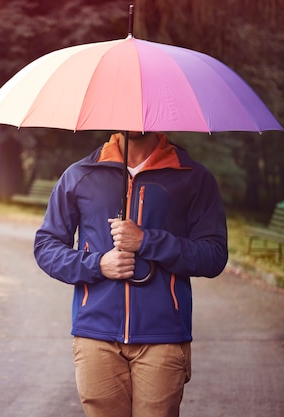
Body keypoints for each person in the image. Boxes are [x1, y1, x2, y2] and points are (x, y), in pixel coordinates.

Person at [34, 131, 228, 417]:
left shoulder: (193, 178)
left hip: (163, 336)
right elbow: (46, 246)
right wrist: (97, 264)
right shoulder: (80, 175)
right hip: (95, 335)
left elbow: (213, 255)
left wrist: (147, 241)